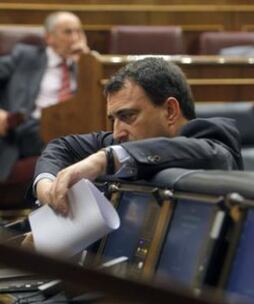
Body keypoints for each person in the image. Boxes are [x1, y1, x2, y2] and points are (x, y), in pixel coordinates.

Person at [33, 57, 243, 215]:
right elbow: (62, 147)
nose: (117, 133)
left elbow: (214, 156)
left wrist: (104, 159)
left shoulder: (216, 140)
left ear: (170, 111)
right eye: (113, 119)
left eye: (128, 116)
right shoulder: (124, 142)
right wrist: (46, 186)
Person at [0, 11, 90, 182]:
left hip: (77, 127)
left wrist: (86, 64)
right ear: (49, 38)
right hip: (31, 129)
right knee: (71, 142)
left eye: (79, 32)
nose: (75, 38)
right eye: (68, 32)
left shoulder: (87, 64)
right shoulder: (27, 57)